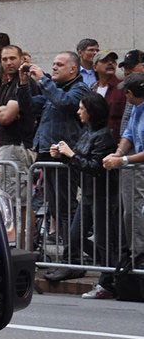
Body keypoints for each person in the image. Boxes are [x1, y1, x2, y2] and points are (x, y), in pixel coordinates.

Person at [49, 94, 119, 290]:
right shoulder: (87, 132)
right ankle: (108, 266)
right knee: (74, 236)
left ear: (91, 111)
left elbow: (95, 166)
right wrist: (63, 156)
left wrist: (70, 155)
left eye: (82, 108)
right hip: (88, 194)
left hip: (103, 194)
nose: (79, 112)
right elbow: (79, 159)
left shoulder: (104, 136)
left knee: (104, 239)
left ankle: (107, 280)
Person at [29, 51, 90, 249]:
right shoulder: (54, 89)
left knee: (66, 205)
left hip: (65, 155)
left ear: (73, 69)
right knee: (56, 206)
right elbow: (28, 106)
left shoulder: (79, 89)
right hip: (48, 153)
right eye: (53, 63)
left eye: (59, 64)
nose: (54, 67)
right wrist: (22, 84)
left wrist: (43, 80)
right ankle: (70, 251)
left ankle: (76, 252)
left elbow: (66, 103)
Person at [0, 45, 40, 223]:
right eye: (4, 59)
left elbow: (5, 118)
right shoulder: (5, 86)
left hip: (17, 148)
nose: (8, 62)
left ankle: (25, 247)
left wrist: (3, 111)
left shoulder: (25, 83)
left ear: (21, 59)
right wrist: (3, 109)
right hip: (6, 149)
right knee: (9, 201)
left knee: (20, 204)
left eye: (12, 58)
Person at [103, 72, 144, 276]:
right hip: (135, 167)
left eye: (126, 93)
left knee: (137, 212)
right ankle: (136, 255)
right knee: (130, 213)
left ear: (130, 93)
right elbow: (128, 134)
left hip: (139, 168)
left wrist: (123, 160)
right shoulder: (137, 109)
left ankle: (140, 255)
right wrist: (118, 153)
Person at [90, 49, 125, 140]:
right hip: (95, 142)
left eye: (113, 61)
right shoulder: (92, 89)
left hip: (116, 143)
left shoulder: (123, 88)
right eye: (105, 61)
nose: (110, 63)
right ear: (95, 67)